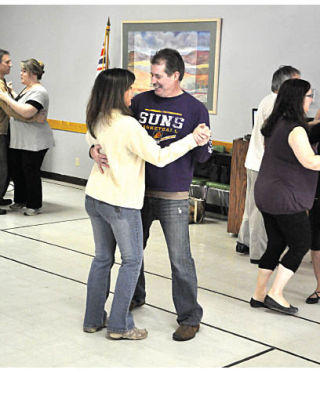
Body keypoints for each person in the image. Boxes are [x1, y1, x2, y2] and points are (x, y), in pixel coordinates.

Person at [91, 48, 212, 341]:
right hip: (137, 194)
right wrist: (93, 147)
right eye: (151, 75)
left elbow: (204, 157)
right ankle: (135, 295)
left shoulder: (195, 109)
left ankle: (189, 316)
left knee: (180, 259)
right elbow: (104, 125)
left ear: (176, 76)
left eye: (158, 76)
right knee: (134, 253)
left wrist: (202, 143)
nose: (153, 81)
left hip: (174, 195)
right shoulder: (139, 102)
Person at [251, 78, 320, 315]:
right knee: (300, 243)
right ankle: (276, 294)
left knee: (277, 243)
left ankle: (258, 295)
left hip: (266, 193)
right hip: (284, 198)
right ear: (298, 99)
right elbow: (309, 161)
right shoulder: (296, 129)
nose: (312, 100)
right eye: (310, 95)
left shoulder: (277, 123)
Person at [236, 66, 301, 263]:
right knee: (258, 211)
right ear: (285, 84)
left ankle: (244, 241)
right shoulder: (276, 104)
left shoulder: (267, 99)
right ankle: (258, 253)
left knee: (251, 207)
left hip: (254, 162)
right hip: (262, 165)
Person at [0, 58, 54, 216]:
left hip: (34, 142)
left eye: (24, 71)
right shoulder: (27, 89)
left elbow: (26, 111)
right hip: (20, 140)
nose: (20, 74)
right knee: (18, 171)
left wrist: (4, 97)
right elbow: (20, 103)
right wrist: (11, 94)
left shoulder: (39, 91)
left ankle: (34, 204)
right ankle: (20, 200)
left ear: (33, 74)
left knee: (30, 171)